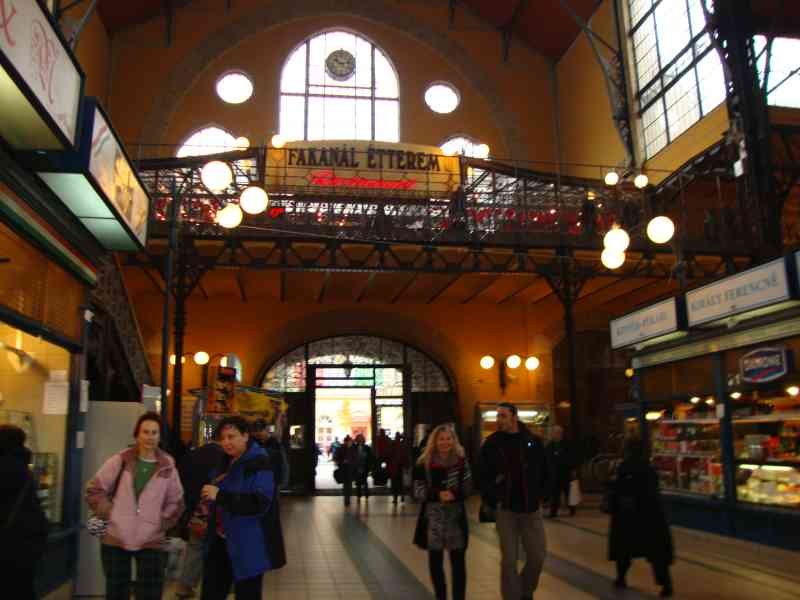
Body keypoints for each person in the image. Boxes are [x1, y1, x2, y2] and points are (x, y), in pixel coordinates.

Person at [86, 412, 184, 600]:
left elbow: (177, 501)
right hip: (115, 537)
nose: (150, 437)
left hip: (152, 539)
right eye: (145, 432)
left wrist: (163, 522)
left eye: (154, 432)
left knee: (150, 593)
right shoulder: (120, 460)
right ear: (137, 435)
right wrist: (109, 513)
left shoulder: (168, 465)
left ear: (160, 436)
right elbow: (94, 489)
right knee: (116, 591)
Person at [200, 415, 286, 600]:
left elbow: (259, 503)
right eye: (222, 438)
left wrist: (220, 495)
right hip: (220, 539)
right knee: (211, 592)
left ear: (245, 436)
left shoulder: (260, 462)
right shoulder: (224, 462)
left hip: (248, 543)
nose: (226, 442)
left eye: (231, 436)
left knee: (248, 593)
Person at [479, 402, 549, 600]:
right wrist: (493, 493)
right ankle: (512, 596)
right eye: (497, 416)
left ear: (514, 417)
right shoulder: (492, 444)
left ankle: (525, 592)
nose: (498, 420)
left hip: (531, 509)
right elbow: (482, 475)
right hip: (506, 509)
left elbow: (545, 470)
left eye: (503, 416)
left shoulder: (533, 442)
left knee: (537, 556)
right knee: (509, 560)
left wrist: (542, 494)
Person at [607, 437, 674, 598]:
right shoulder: (649, 469)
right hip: (650, 516)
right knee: (656, 552)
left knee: (624, 549)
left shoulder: (623, 468)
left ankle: (621, 577)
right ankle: (665, 585)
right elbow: (653, 490)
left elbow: (617, 490)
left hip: (627, 516)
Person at [413, 425, 472, 600]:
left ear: (454, 441)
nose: (445, 442)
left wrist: (454, 494)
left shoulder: (461, 462)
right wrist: (437, 495)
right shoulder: (424, 463)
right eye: (441, 439)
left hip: (456, 518)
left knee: (458, 564)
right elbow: (417, 490)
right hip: (433, 519)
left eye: (449, 439)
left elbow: (469, 487)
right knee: (435, 563)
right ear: (434, 441)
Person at [175, 432, 226, 599]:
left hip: (193, 509)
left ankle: (184, 586)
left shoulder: (192, 455)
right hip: (212, 511)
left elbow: (180, 481)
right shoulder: (223, 458)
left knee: (195, 547)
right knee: (215, 550)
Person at [0, 425, 49, 600]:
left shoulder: (5, 467)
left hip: (8, 543)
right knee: (23, 587)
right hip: (28, 543)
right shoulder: (24, 467)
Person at [545, 426, 577, 517]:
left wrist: (573, 469)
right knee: (554, 494)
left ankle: (572, 510)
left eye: (558, 433)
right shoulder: (549, 446)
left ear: (561, 434)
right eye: (555, 433)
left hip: (565, 473)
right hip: (554, 474)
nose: (556, 435)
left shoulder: (567, 444)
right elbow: (547, 459)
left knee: (568, 493)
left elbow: (572, 458)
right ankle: (553, 511)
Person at [250, 419, 289, 490]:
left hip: (273, 480)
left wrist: (283, 481)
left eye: (260, 430)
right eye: (256, 431)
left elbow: (283, 464)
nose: (258, 433)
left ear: (267, 429)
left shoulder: (275, 442)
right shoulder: (254, 443)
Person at [334, 435, 356, 506]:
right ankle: (347, 498)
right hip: (344, 468)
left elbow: (355, 457)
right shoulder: (341, 448)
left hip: (350, 469)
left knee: (348, 484)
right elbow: (337, 458)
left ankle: (348, 497)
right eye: (348, 441)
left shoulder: (352, 448)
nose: (349, 443)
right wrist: (342, 461)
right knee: (346, 484)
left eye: (350, 441)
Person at [388, 432, 410, 504]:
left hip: (396, 467)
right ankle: (401, 496)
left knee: (395, 484)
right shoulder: (402, 445)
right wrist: (407, 466)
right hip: (399, 467)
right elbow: (405, 456)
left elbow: (389, 455)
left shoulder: (393, 445)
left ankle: (396, 498)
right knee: (400, 483)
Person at [353, 433, 376, 501]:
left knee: (365, 482)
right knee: (358, 482)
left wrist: (370, 467)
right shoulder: (354, 447)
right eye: (359, 439)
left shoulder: (367, 448)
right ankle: (359, 495)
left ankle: (366, 494)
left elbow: (370, 457)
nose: (360, 440)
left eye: (361, 438)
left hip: (364, 467)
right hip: (357, 467)